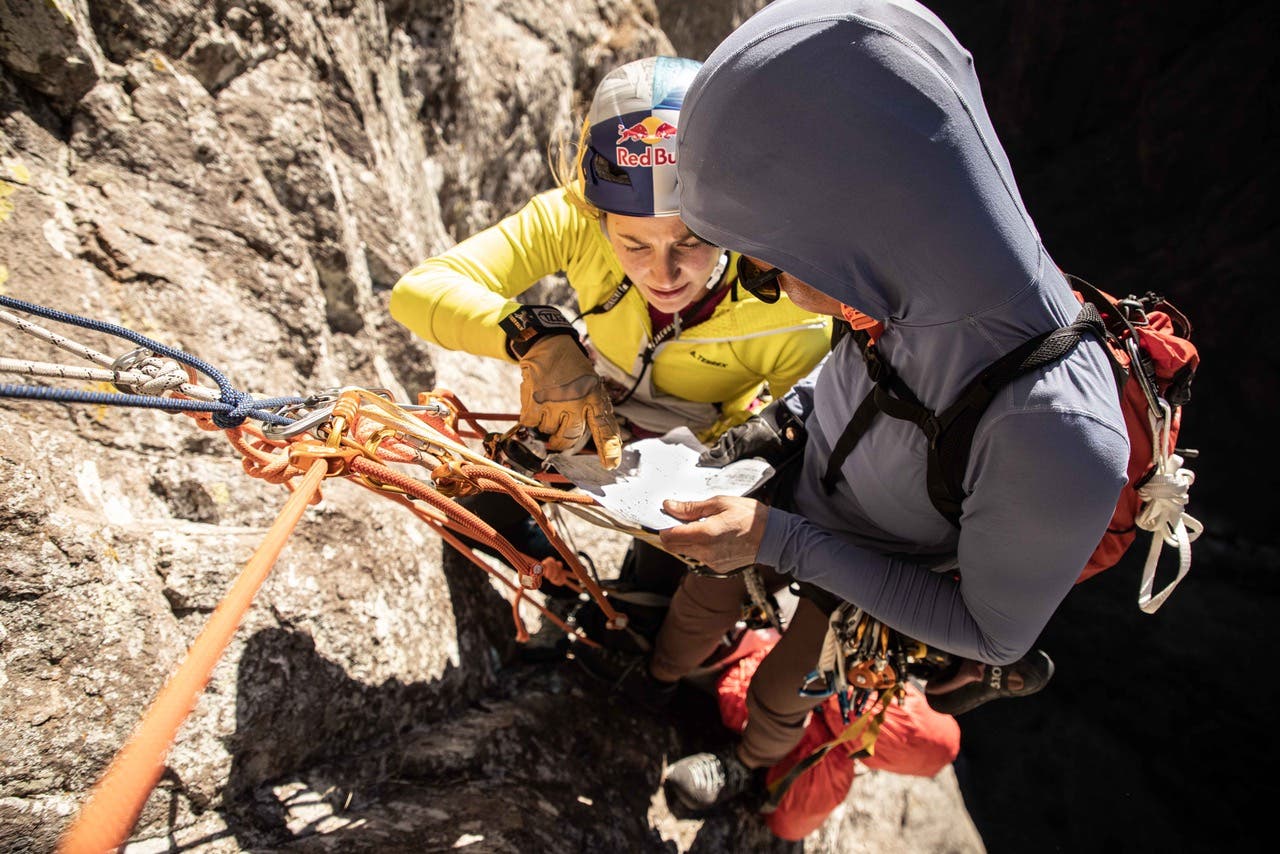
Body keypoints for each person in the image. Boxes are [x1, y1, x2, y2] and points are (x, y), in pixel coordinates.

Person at [643, 0, 1130, 815]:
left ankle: (750, 761)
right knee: (703, 590)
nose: (775, 286)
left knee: (792, 680)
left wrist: (778, 539)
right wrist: (779, 425)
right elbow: (859, 382)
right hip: (812, 479)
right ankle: (653, 676)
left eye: (776, 265)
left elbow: (991, 634)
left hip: (875, 567)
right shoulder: (918, 265)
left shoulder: (1060, 432)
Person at [388, 55, 831, 599]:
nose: (662, 273)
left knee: (658, 585)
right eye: (633, 245)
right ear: (600, 219)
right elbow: (419, 291)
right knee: (478, 502)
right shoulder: (574, 218)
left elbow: (807, 439)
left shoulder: (787, 302)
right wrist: (542, 340)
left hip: (705, 443)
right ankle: (567, 581)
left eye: (691, 240)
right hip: (596, 399)